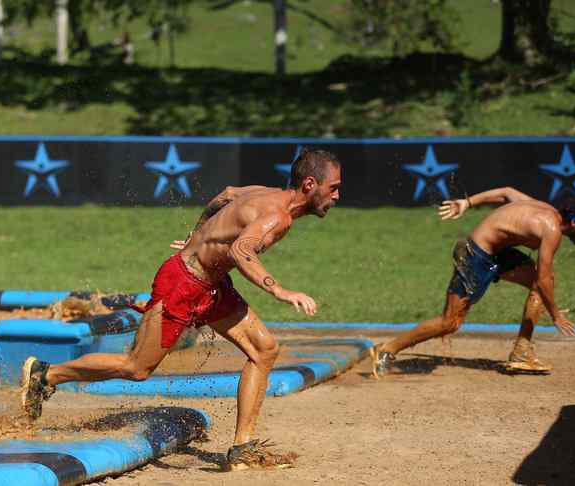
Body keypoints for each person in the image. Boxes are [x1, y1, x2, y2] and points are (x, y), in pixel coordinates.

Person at [19, 148, 342, 471]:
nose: (337, 195)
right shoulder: (279, 217)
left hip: (212, 287)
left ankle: (241, 447)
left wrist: (198, 232)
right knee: (137, 368)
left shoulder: (267, 194)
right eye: (333, 187)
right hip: (182, 284)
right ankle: (46, 375)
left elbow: (227, 195)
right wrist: (279, 289)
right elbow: (242, 249)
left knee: (264, 349)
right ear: (310, 184)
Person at [373, 187, 575, 376]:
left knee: (542, 285)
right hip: (475, 255)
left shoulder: (544, 208)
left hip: (498, 252)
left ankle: (522, 352)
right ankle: (388, 349)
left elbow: (506, 192)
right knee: (449, 323)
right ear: (574, 222)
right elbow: (544, 277)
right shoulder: (552, 230)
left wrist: (467, 203)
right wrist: (556, 315)